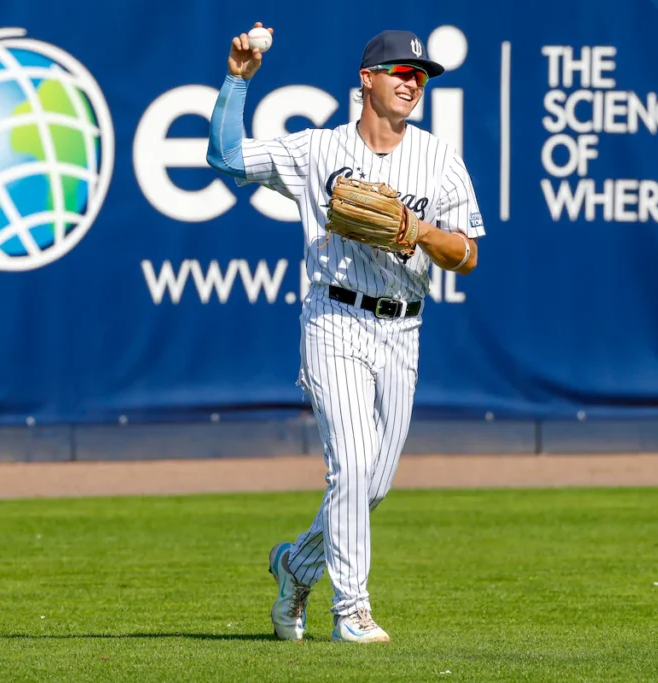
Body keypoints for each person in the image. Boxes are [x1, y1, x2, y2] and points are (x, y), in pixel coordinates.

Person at [205, 23, 485, 643]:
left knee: (373, 483)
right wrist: (237, 79)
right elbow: (224, 156)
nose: (413, 82)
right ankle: (351, 610)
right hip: (333, 317)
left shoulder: (440, 159)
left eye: (421, 76)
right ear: (368, 80)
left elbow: (466, 254)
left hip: (402, 328)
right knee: (352, 466)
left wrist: (417, 231)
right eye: (401, 72)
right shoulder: (319, 150)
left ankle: (296, 566)